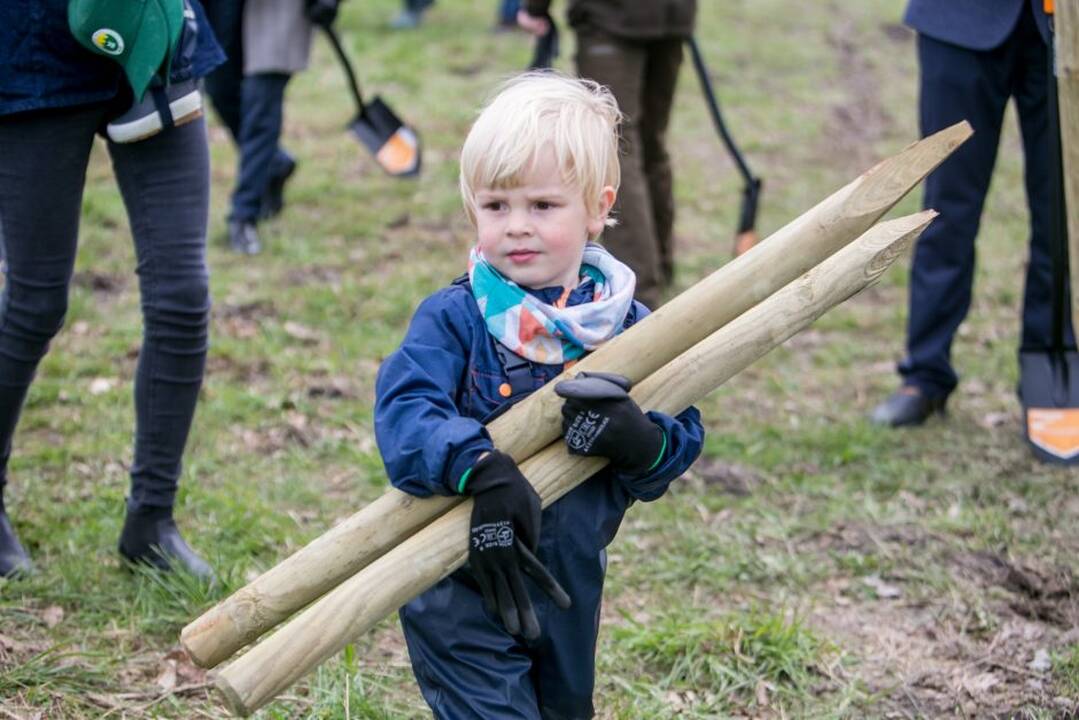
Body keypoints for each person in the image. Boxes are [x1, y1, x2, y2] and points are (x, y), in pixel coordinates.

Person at [374, 73, 704, 720]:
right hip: (457, 575)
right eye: (496, 206)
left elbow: (681, 429)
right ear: (472, 208)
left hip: (567, 578)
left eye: (542, 206)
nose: (517, 228)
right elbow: (406, 413)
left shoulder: (628, 327)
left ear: (597, 206)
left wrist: (641, 440)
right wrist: (479, 466)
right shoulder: (457, 318)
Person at [0, 0, 224, 579]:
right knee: (36, 300)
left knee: (182, 296)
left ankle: (151, 521)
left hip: (151, 35)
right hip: (30, 50)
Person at [871, 0, 1063, 426]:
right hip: (957, 19)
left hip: (1065, 25)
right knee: (946, 207)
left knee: (1063, 214)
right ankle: (924, 375)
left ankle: (1050, 378)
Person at [518, 0, 697, 310]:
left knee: (617, 148)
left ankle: (639, 294)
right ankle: (658, 271)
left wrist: (534, 7)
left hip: (615, 16)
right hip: (670, 15)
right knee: (645, 144)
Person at [203, 0, 339, 255]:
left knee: (261, 104)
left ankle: (243, 215)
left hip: (280, 8)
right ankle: (273, 161)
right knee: (219, 90)